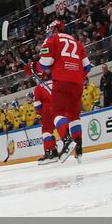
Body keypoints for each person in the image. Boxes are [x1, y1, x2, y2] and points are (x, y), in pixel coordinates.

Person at [38, 20, 92, 162]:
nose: (49, 31)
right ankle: (78, 147)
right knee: (74, 116)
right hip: (78, 83)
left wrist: (36, 67)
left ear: (55, 29)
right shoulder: (76, 41)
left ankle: (66, 140)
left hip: (62, 80)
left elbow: (45, 64)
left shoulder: (52, 38)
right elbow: (87, 67)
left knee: (57, 112)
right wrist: (76, 75)